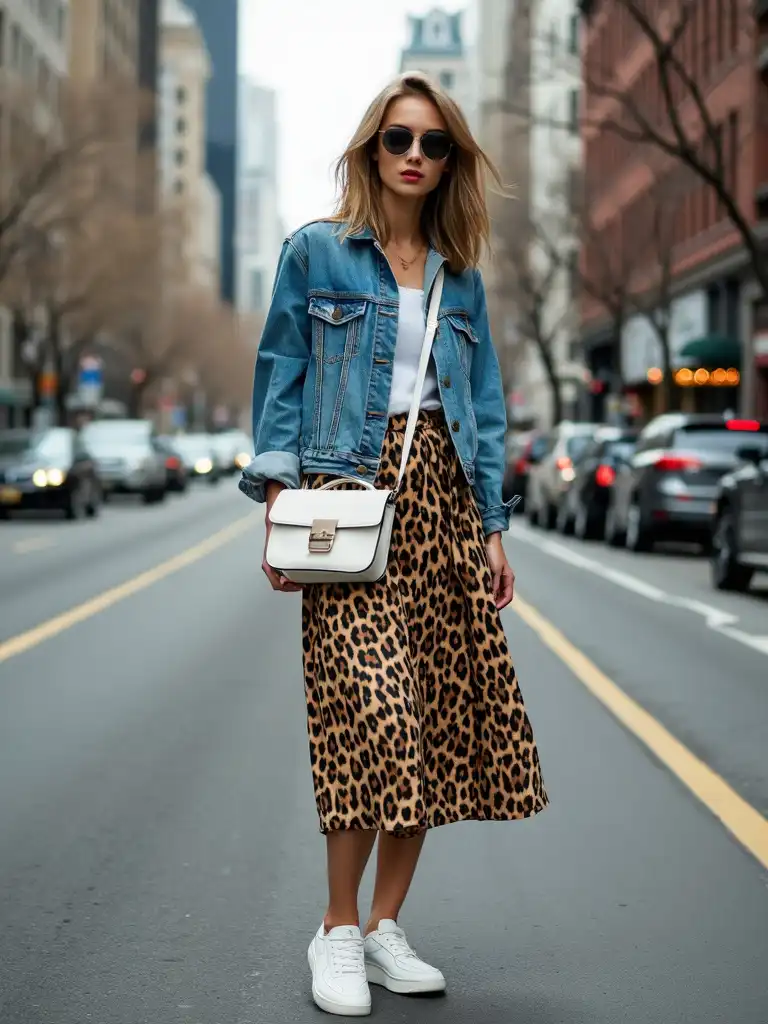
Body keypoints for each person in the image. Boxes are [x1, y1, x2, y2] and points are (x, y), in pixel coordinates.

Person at [239, 71, 548, 1018]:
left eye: (434, 143)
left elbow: (483, 407)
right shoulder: (316, 254)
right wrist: (281, 495)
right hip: (344, 492)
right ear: (372, 149)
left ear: (450, 160)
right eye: (398, 139)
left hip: (444, 505)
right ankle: (336, 931)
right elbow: (281, 373)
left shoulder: (463, 278)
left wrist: (492, 527)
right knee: (371, 716)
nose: (415, 155)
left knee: (434, 728)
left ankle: (384, 928)